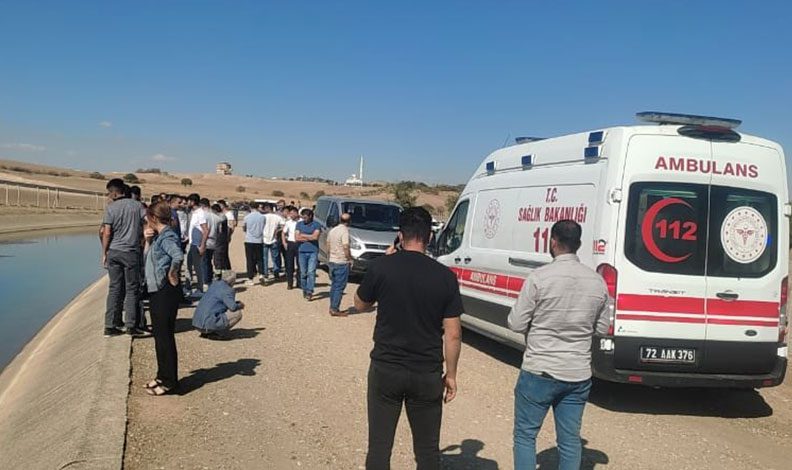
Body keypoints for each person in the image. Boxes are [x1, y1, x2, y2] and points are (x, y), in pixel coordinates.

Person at [354, 207, 463, 470]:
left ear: (400, 236)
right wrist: (451, 374)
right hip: (426, 372)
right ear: (430, 237)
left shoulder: (382, 267)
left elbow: (360, 304)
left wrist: (384, 264)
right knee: (427, 450)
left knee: (379, 447)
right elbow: (453, 334)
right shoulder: (446, 277)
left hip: (386, 367)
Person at [507, 220, 610, 470]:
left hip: (539, 370)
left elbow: (516, 323)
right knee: (570, 440)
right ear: (579, 244)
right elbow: (600, 328)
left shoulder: (539, 278)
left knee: (525, 436)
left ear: (552, 241)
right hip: (577, 374)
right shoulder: (597, 282)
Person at [142, 201, 184, 396]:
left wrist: (172, 273)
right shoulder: (159, 237)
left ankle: (169, 382)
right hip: (157, 290)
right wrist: (148, 241)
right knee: (159, 336)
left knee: (165, 337)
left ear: (153, 218)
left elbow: (178, 256)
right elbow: (148, 260)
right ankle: (161, 375)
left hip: (165, 291)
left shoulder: (167, 236)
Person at [101, 178, 146, 337]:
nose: (108, 196)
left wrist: (104, 252)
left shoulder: (110, 208)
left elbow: (106, 232)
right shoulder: (137, 206)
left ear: (114, 193)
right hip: (131, 252)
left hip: (114, 251)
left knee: (114, 288)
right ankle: (131, 325)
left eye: (109, 193)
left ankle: (110, 325)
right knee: (132, 289)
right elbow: (148, 222)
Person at [192, 270, 245, 338]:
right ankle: (218, 333)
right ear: (233, 281)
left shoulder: (214, 284)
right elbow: (233, 307)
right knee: (237, 313)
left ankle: (208, 331)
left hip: (197, 323)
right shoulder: (228, 290)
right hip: (208, 324)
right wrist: (240, 305)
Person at [326, 212, 353, 316]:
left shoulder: (333, 230)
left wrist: (329, 257)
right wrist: (349, 259)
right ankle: (334, 308)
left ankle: (332, 306)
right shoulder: (344, 231)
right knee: (339, 286)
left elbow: (328, 245)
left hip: (332, 260)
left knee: (334, 285)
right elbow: (345, 246)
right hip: (341, 261)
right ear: (349, 221)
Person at [295, 208, 321, 300]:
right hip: (302, 251)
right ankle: (304, 289)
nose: (304, 219)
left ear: (310, 216)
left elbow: (315, 237)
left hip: (313, 251)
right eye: (303, 217)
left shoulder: (316, 225)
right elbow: (297, 238)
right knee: (303, 273)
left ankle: (310, 291)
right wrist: (309, 237)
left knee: (311, 272)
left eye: (305, 217)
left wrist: (303, 235)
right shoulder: (299, 224)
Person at [186, 193, 209, 294]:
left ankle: (200, 288)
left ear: (192, 202)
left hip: (197, 244)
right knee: (189, 264)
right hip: (192, 243)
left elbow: (205, 230)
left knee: (197, 267)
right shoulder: (194, 213)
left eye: (188, 201)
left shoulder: (200, 213)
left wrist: (202, 245)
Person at [242, 203, 266, 286]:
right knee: (260, 258)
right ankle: (261, 274)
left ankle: (250, 278)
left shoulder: (247, 217)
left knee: (250, 260)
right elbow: (263, 227)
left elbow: (244, 228)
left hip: (249, 240)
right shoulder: (262, 217)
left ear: (250, 207)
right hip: (259, 240)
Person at [262, 204, 284, 280]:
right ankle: (276, 272)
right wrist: (277, 231)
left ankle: (265, 273)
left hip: (264, 239)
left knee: (264, 258)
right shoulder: (278, 217)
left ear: (267, 208)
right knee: (275, 257)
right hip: (274, 239)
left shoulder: (263, 217)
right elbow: (283, 226)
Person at [281, 206, 301, 290]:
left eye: (293, 213)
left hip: (299, 244)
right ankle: (290, 283)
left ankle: (299, 282)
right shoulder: (288, 223)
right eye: (290, 213)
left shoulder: (301, 222)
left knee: (300, 264)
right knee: (289, 264)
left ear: (297, 213)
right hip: (290, 244)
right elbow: (283, 233)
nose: (291, 215)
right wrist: (284, 243)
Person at [201, 198, 219, 286]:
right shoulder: (216, 217)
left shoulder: (204, 216)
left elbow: (204, 230)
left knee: (204, 262)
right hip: (214, 241)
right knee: (209, 261)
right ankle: (209, 278)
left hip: (206, 240)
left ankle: (205, 281)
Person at [211, 203, 232, 273]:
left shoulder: (220, 217)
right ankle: (224, 270)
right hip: (222, 239)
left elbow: (220, 229)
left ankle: (219, 272)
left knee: (218, 256)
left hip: (220, 239)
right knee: (222, 256)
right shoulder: (222, 216)